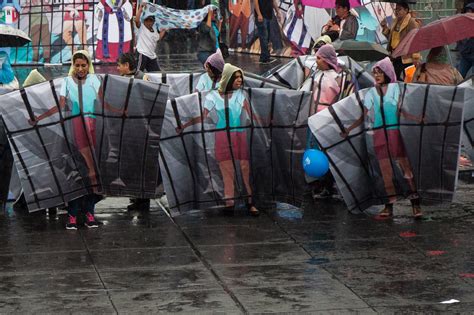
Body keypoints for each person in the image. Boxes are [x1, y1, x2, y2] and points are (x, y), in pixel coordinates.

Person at [28, 51, 105, 229]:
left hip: (93, 127)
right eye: (76, 65)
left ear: (88, 65)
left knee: (94, 176)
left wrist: (121, 112)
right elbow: (61, 105)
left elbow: (103, 102)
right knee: (77, 172)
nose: (80, 69)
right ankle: (72, 215)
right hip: (75, 127)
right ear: (73, 65)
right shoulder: (67, 82)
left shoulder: (95, 80)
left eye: (83, 65)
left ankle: (89, 214)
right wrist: (39, 118)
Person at [340, 57, 422, 219]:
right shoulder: (371, 92)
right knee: (385, 172)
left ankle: (415, 204)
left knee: (406, 169)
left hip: (394, 134)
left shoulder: (397, 89)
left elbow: (402, 111)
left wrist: (416, 119)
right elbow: (364, 115)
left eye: (379, 72)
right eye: (374, 73)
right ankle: (388, 206)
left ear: (387, 73)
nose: (376, 75)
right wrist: (348, 129)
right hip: (379, 135)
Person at [177, 63, 262, 216]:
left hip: (239, 135)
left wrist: (270, 122)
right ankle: (229, 202)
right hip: (222, 136)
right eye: (236, 78)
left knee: (244, 169)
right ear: (228, 78)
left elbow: (253, 115)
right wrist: (184, 126)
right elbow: (203, 117)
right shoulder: (213, 96)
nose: (240, 81)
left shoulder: (240, 95)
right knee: (227, 170)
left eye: (241, 78)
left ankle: (250, 202)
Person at [116, 52, 151, 212]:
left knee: (142, 164)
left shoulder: (142, 78)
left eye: (119, 65)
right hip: (127, 129)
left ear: (127, 65)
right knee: (130, 164)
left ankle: (143, 199)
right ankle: (134, 196)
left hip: (141, 128)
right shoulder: (121, 80)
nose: (117, 68)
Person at [308, 44, 343, 199]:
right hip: (313, 119)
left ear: (327, 60)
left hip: (327, 120)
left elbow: (342, 99)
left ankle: (328, 185)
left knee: (326, 153)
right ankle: (318, 183)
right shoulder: (315, 75)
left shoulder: (338, 78)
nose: (316, 61)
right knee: (315, 151)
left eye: (319, 58)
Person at [381, 2, 420, 80]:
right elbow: (391, 38)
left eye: (400, 9)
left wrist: (415, 57)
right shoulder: (395, 21)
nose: (397, 11)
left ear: (406, 10)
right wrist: (385, 27)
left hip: (407, 57)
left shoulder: (411, 22)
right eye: (396, 9)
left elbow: (416, 40)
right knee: (394, 78)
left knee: (408, 79)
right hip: (395, 55)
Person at [135, 3, 166, 72]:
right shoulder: (142, 27)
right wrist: (140, 8)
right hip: (142, 53)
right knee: (138, 73)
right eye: (147, 20)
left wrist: (163, 31)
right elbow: (136, 20)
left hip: (152, 56)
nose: (148, 22)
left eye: (150, 20)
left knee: (157, 74)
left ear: (153, 22)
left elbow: (158, 38)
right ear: (144, 21)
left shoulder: (154, 30)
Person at [253, 0, 280, 64]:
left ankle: (266, 56)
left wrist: (277, 11)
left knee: (267, 37)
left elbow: (273, 1)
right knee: (264, 37)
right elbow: (255, 2)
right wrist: (259, 14)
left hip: (269, 16)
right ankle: (264, 57)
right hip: (261, 16)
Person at [456, 3, 474, 78]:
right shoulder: (463, 25)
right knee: (459, 75)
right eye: (467, 11)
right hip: (466, 55)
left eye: (471, 11)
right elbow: (459, 40)